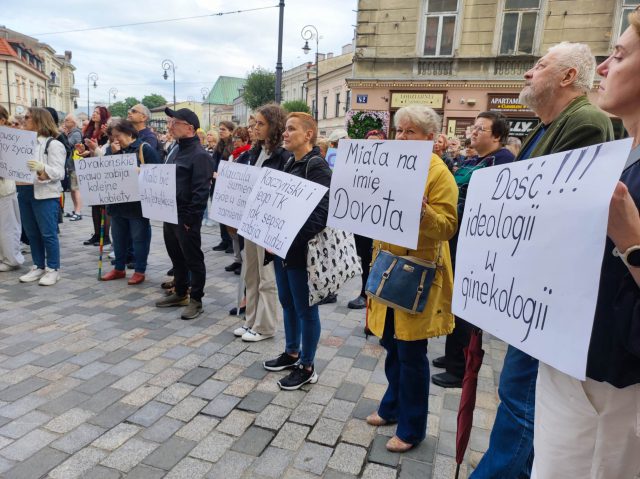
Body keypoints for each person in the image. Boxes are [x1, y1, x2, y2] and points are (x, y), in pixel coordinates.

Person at [470, 42, 614, 479]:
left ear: (568, 77)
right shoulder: (548, 124)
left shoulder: (585, 121)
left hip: (549, 295)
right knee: (517, 393)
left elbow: (557, 209)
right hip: (534, 288)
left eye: (540, 65)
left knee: (522, 397)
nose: (529, 73)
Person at [529, 20, 640, 478]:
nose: (604, 66)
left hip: (610, 382)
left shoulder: (597, 132)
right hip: (573, 360)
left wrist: (631, 240)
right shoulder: (627, 149)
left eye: (620, 54)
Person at [366, 105, 458, 452]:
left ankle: (412, 426)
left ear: (430, 138)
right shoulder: (389, 165)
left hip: (416, 273)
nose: (402, 137)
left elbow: (448, 227)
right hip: (388, 265)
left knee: (411, 352)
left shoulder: (439, 174)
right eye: (399, 131)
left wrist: (423, 211)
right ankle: (392, 406)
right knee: (391, 343)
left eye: (411, 132)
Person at [432, 111, 514, 389]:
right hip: (457, 236)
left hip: (477, 242)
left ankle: (460, 368)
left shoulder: (504, 161)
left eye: (481, 128)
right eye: (474, 127)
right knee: (454, 298)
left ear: (497, 136)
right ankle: (452, 354)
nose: (474, 132)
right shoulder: (470, 159)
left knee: (465, 303)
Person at [263, 112, 332, 389]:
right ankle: (292, 352)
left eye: (292, 129)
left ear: (308, 134)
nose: (285, 133)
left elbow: (321, 215)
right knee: (287, 302)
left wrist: (289, 237)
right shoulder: (292, 162)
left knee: (306, 309)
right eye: (285, 129)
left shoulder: (317, 167)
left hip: (301, 253)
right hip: (283, 250)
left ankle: (307, 365)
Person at [233, 103, 291, 342]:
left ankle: (265, 326)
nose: (254, 128)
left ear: (273, 126)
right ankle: (251, 321)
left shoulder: (283, 156)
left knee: (267, 277)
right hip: (251, 221)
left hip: (269, 224)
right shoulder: (254, 152)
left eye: (260, 124)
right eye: (254, 123)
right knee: (251, 274)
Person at [155, 108, 213, 319]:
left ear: (189, 128)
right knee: (176, 256)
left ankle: (196, 299)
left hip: (185, 217)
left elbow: (200, 193)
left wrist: (190, 220)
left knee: (192, 259)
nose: (170, 125)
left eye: (175, 122)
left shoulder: (200, 155)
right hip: (169, 212)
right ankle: (180, 292)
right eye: (170, 121)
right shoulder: (176, 149)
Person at [100, 120, 160, 285]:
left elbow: (159, 173)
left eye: (118, 136)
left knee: (139, 238)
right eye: (112, 137)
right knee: (118, 238)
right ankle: (119, 268)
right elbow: (103, 172)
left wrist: (142, 172)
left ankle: (140, 270)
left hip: (137, 206)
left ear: (129, 133)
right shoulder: (111, 150)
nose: (115, 140)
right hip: (117, 204)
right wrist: (112, 154)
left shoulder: (144, 149)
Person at [16, 107, 66, 286]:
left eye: (27, 117)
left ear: (38, 121)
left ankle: (53, 269)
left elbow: (60, 172)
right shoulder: (21, 142)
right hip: (23, 190)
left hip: (44, 194)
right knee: (31, 233)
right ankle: (38, 265)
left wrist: (42, 168)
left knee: (48, 233)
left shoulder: (53, 144)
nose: (24, 120)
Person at [348, 128, 387, 311]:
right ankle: (365, 293)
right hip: (362, 221)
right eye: (369, 142)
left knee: (379, 260)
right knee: (364, 258)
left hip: (381, 222)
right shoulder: (359, 166)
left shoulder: (390, 167)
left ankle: (376, 298)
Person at [80, 106, 111, 246]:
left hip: (102, 168)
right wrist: (83, 151)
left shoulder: (105, 132)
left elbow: (104, 150)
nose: (94, 114)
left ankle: (105, 235)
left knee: (103, 204)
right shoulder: (89, 130)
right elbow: (88, 148)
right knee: (94, 203)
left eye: (97, 112)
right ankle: (97, 233)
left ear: (103, 115)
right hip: (90, 167)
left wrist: (92, 150)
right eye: (93, 111)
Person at [223, 126, 251, 275]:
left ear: (245, 140)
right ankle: (237, 259)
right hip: (231, 196)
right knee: (233, 232)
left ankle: (243, 261)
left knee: (241, 234)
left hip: (241, 198)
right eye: (233, 139)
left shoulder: (247, 154)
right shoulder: (233, 155)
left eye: (237, 139)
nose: (234, 142)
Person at [0, 106, 24, 272]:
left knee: (8, 225)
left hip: (5, 187)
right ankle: (4, 256)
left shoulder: (10, 137)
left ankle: (12, 258)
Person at [211, 121, 236, 253]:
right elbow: (213, 161)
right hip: (216, 182)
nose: (221, 132)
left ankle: (232, 242)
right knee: (219, 211)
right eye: (220, 129)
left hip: (227, 184)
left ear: (231, 131)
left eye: (224, 129)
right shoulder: (219, 146)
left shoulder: (232, 146)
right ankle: (224, 240)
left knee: (228, 214)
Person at [62, 114, 83, 221]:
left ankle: (78, 211)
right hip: (71, 165)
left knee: (76, 189)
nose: (65, 122)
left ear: (73, 123)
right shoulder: (71, 133)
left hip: (75, 165)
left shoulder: (76, 133)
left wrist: (64, 136)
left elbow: (69, 145)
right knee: (72, 189)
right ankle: (75, 210)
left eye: (67, 120)